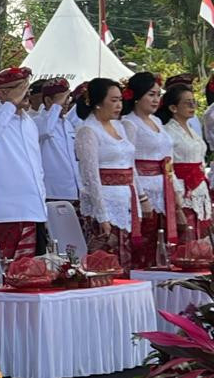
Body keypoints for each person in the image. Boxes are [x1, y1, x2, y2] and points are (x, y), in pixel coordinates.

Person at [0, 66, 47, 261]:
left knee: (34, 273)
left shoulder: (29, 121)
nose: (26, 93)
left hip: (33, 208)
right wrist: (10, 104)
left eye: (27, 88)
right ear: (3, 92)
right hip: (5, 211)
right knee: (4, 274)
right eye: (20, 88)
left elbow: (36, 166)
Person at [74, 79, 137, 270]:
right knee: (106, 263)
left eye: (120, 100)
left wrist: (140, 200)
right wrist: (102, 215)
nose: (119, 105)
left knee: (128, 260)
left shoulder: (121, 127)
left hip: (126, 199)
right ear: (98, 102)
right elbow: (90, 176)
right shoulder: (88, 130)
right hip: (105, 201)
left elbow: (130, 164)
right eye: (114, 100)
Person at [121, 71, 179, 267]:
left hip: (164, 186)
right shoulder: (129, 123)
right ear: (136, 96)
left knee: (161, 243)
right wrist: (142, 197)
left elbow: (168, 158)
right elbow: (129, 162)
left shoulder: (157, 121)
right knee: (145, 243)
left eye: (158, 95)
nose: (156, 100)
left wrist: (175, 190)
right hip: (143, 188)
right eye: (151, 95)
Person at [159, 80, 212, 243]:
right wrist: (176, 202)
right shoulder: (167, 132)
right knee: (186, 238)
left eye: (193, 102)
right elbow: (168, 167)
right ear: (173, 107)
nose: (192, 106)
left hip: (200, 189)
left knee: (202, 237)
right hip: (182, 189)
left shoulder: (192, 130)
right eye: (187, 102)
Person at [35, 77, 79, 212]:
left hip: (74, 190)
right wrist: (56, 106)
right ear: (48, 100)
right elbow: (47, 130)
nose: (66, 103)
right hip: (53, 192)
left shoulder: (67, 123)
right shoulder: (37, 121)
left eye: (67, 99)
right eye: (62, 99)